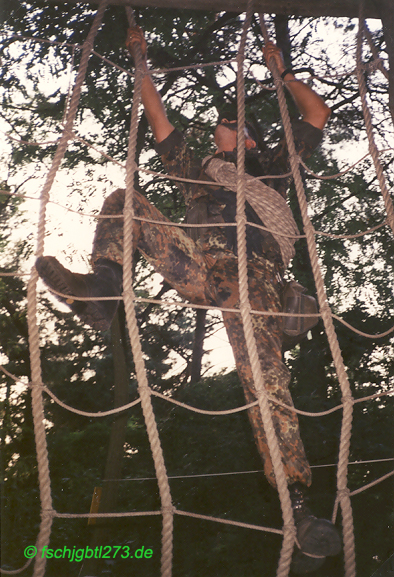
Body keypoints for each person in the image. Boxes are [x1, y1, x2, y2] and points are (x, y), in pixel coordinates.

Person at [36, 26, 340, 573]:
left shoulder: (274, 172)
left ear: (247, 142)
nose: (227, 127)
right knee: (124, 198)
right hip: (203, 270)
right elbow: (158, 120)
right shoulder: (197, 177)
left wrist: (283, 72)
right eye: (224, 123)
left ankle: (298, 506)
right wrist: (141, 60)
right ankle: (104, 289)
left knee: (266, 382)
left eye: (235, 126)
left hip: (259, 283)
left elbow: (315, 115)